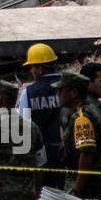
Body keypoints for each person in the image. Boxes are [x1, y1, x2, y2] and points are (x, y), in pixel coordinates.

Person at [59, 70, 101, 200]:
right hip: (98, 185)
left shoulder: (81, 118)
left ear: (73, 93)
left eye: (61, 91)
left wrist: (77, 189)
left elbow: (87, 154)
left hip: (89, 189)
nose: (58, 95)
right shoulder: (90, 109)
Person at [17, 44, 62, 181]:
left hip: (42, 155)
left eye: (32, 67)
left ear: (40, 69)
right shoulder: (67, 87)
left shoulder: (29, 92)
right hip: (67, 151)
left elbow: (23, 126)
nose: (31, 71)